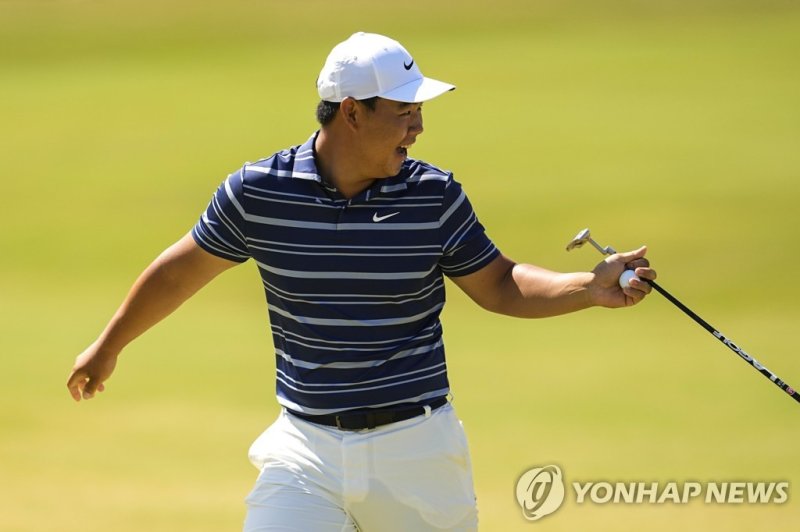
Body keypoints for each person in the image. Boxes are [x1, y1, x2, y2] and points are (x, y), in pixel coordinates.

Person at [67, 32, 656, 531]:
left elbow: (500, 284)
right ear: (351, 111)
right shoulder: (259, 192)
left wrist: (589, 287)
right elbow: (181, 270)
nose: (419, 126)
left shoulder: (433, 195)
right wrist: (109, 345)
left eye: (420, 111)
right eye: (404, 111)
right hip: (304, 449)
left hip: (416, 453)